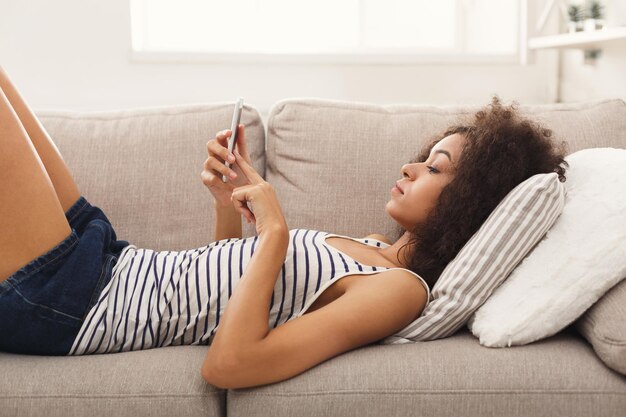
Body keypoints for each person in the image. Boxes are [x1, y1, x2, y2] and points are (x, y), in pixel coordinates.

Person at [0, 66, 568, 389]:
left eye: (436, 168)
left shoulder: (400, 290)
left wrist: (273, 234)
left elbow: (229, 365)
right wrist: (227, 206)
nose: (410, 166)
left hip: (72, 303)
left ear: (469, 203)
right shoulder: (371, 249)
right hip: (108, 261)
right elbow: (215, 298)